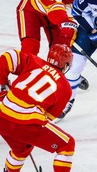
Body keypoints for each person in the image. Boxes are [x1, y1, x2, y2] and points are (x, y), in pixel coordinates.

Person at [16, 0, 96, 90]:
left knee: (60, 47)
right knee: (30, 46)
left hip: (53, 11)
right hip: (31, 10)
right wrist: (68, 24)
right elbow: (56, 14)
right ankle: (25, 80)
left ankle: (60, 75)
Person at [0, 44, 75, 172]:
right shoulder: (65, 88)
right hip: (27, 122)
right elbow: (49, 117)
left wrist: (2, 86)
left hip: (2, 117)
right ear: (66, 65)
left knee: (21, 149)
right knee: (67, 145)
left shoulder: (34, 61)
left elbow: (8, 57)